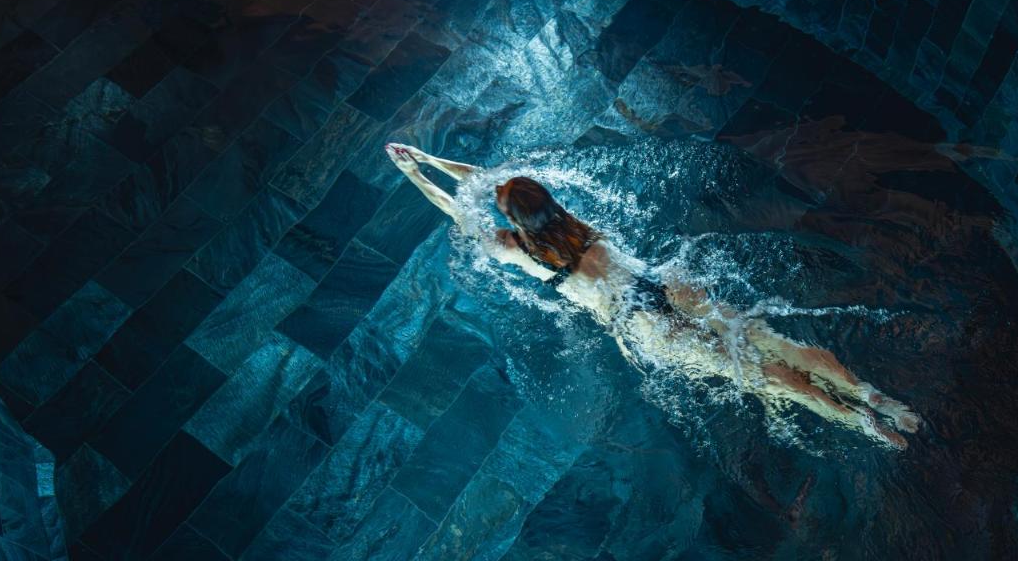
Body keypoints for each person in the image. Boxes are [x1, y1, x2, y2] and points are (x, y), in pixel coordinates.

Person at [384, 143, 921, 449]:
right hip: (664, 283)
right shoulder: (571, 220)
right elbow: (492, 182)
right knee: (771, 342)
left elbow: (463, 208)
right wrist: (430, 157)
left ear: (516, 220)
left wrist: (417, 173)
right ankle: (876, 399)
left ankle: (865, 424)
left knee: (762, 376)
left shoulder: (519, 249)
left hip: (637, 321)